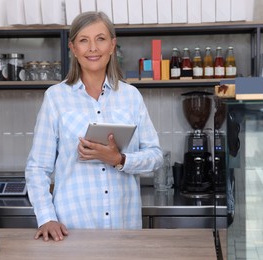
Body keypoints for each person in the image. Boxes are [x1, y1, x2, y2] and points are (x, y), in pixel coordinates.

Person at [25, 11, 163, 242]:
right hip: (72, 231)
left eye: (100, 39)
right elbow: (37, 167)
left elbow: (155, 156)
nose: (92, 48)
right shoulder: (55, 98)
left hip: (125, 231)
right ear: (73, 48)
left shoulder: (131, 97)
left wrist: (119, 160)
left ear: (112, 45)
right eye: (83, 40)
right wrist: (46, 217)